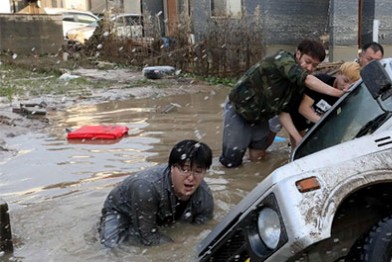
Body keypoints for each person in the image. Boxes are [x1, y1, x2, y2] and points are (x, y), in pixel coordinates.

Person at [219, 39, 347, 168]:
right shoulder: (282, 59)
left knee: (258, 157)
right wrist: (339, 93)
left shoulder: (297, 86)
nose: (309, 68)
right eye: (308, 62)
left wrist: (298, 139)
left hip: (262, 116)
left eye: (314, 66)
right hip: (239, 110)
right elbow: (307, 79)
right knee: (231, 162)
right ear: (298, 54)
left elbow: (283, 112)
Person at [99, 140, 214, 248]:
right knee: (110, 246)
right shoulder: (146, 187)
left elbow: (203, 229)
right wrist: (178, 247)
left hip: (162, 212)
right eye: (185, 169)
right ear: (172, 168)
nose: (191, 178)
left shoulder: (204, 196)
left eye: (198, 171)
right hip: (122, 211)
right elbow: (148, 237)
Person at [283, 61, 361, 145]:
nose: (346, 87)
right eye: (345, 81)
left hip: (317, 124)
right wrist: (325, 123)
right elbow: (303, 109)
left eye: (351, 85)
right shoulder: (322, 81)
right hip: (297, 118)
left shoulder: (349, 96)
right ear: (338, 74)